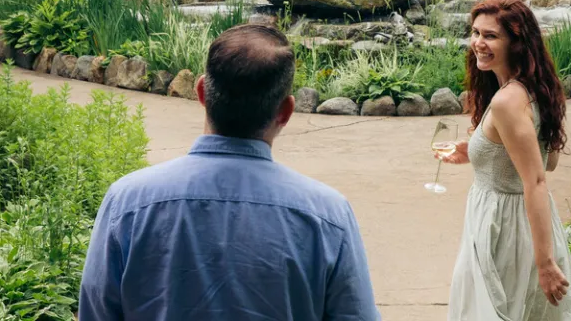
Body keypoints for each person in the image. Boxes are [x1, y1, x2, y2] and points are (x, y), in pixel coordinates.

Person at [79, 24, 381, 321]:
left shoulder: (127, 203)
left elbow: (96, 311)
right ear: (286, 112)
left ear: (201, 91)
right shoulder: (328, 216)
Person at [434, 0, 571, 320]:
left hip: (504, 228)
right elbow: (547, 159)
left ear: (516, 43)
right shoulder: (535, 88)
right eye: (475, 33)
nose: (478, 43)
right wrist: (476, 150)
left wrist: (545, 264)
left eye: (491, 36)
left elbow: (537, 180)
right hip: (517, 223)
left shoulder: (506, 102)